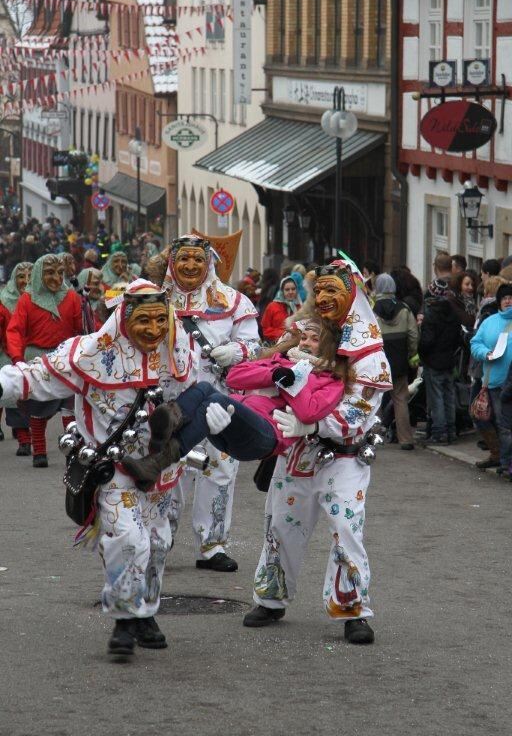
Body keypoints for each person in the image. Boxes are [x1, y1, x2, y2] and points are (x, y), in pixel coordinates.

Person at [0, 279, 195, 655]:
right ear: (124, 318)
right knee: (128, 539)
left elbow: (201, 393)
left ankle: (144, 613)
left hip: (160, 472)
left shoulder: (177, 350)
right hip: (113, 471)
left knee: (157, 543)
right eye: (144, 321)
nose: (154, 330)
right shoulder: (88, 354)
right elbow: (35, 377)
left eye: (160, 320)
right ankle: (124, 620)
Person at [242, 259, 392, 645]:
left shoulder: (369, 352)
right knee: (281, 522)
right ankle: (271, 599)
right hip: (297, 452)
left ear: (352, 294)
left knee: (346, 527)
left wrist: (313, 423)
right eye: (319, 290)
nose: (324, 298)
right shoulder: (304, 334)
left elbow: (360, 410)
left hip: (344, 455)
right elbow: (273, 372)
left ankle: (352, 609)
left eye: (333, 291)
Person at [147, 235, 260, 572]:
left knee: (220, 469)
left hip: (219, 400)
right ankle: (159, 540)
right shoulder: (153, 299)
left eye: (198, 259)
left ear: (209, 262)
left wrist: (236, 351)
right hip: (169, 402)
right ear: (172, 262)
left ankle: (213, 545)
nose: (191, 266)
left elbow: (255, 346)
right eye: (184, 259)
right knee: (168, 469)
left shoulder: (233, 301)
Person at [122, 318, 347, 484]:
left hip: (265, 436)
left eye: (315, 340)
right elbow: (235, 375)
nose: (306, 343)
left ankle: (159, 457)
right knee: (204, 388)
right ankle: (167, 427)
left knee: (217, 400)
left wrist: (296, 378)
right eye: (304, 337)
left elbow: (309, 412)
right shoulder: (279, 360)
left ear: (328, 347)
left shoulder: (331, 380)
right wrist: (275, 373)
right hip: (233, 423)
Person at [5, 254, 83, 467]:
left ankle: (72, 450)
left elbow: (79, 329)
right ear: (40, 274)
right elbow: (15, 331)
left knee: (70, 407)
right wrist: (18, 358)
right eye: (50, 273)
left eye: (60, 273)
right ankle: (39, 450)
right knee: (38, 407)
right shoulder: (27, 300)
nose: (56, 278)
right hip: (36, 359)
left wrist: (81, 354)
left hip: (65, 358)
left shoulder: (72, 298)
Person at [470, 282, 512, 477]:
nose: (508, 301)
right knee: (485, 418)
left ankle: (505, 463)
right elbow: (475, 343)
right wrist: (485, 353)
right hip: (493, 381)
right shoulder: (490, 322)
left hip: (510, 383)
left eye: (511, 297)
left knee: (505, 426)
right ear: (499, 301)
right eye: (504, 298)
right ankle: (498, 455)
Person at [373, 274, 418, 450]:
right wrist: (412, 354)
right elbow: (413, 334)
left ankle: (373, 435)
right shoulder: (404, 309)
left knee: (374, 399)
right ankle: (406, 439)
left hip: (378, 360)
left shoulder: (371, 308)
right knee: (401, 399)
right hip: (399, 359)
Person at [418, 278, 462, 444]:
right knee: (449, 395)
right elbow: (458, 338)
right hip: (449, 360)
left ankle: (439, 432)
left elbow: (427, 341)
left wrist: (421, 351)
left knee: (436, 398)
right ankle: (451, 430)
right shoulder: (453, 312)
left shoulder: (431, 314)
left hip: (433, 361)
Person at [0, 261, 33, 452]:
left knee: (33, 399)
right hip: (8, 355)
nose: (26, 281)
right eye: (21, 277)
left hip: (32, 353)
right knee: (13, 395)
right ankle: (23, 438)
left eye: (30, 277)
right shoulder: (4, 302)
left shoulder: (37, 299)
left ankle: (30, 433)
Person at [261, 276, 302, 342]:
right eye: (287, 289)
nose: (291, 292)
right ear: (282, 291)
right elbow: (265, 329)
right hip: (276, 344)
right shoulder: (272, 306)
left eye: (293, 289)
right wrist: (284, 334)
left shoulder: (299, 307)